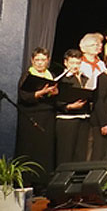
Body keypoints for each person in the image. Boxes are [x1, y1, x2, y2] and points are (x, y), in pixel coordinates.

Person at [16, 48, 59, 188]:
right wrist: (41, 92)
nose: (40, 63)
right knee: (30, 151)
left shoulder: (51, 75)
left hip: (47, 118)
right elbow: (24, 96)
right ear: (32, 61)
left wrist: (56, 93)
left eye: (43, 60)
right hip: (31, 118)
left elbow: (56, 99)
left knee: (45, 152)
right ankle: (28, 183)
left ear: (47, 61)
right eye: (37, 60)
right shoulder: (27, 76)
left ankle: (43, 184)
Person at [55, 49, 91, 165]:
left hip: (83, 117)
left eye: (78, 63)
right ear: (66, 63)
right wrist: (70, 106)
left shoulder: (85, 78)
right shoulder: (61, 79)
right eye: (72, 63)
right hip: (67, 120)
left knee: (80, 153)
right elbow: (55, 101)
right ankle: (62, 180)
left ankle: (77, 180)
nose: (75, 66)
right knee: (66, 152)